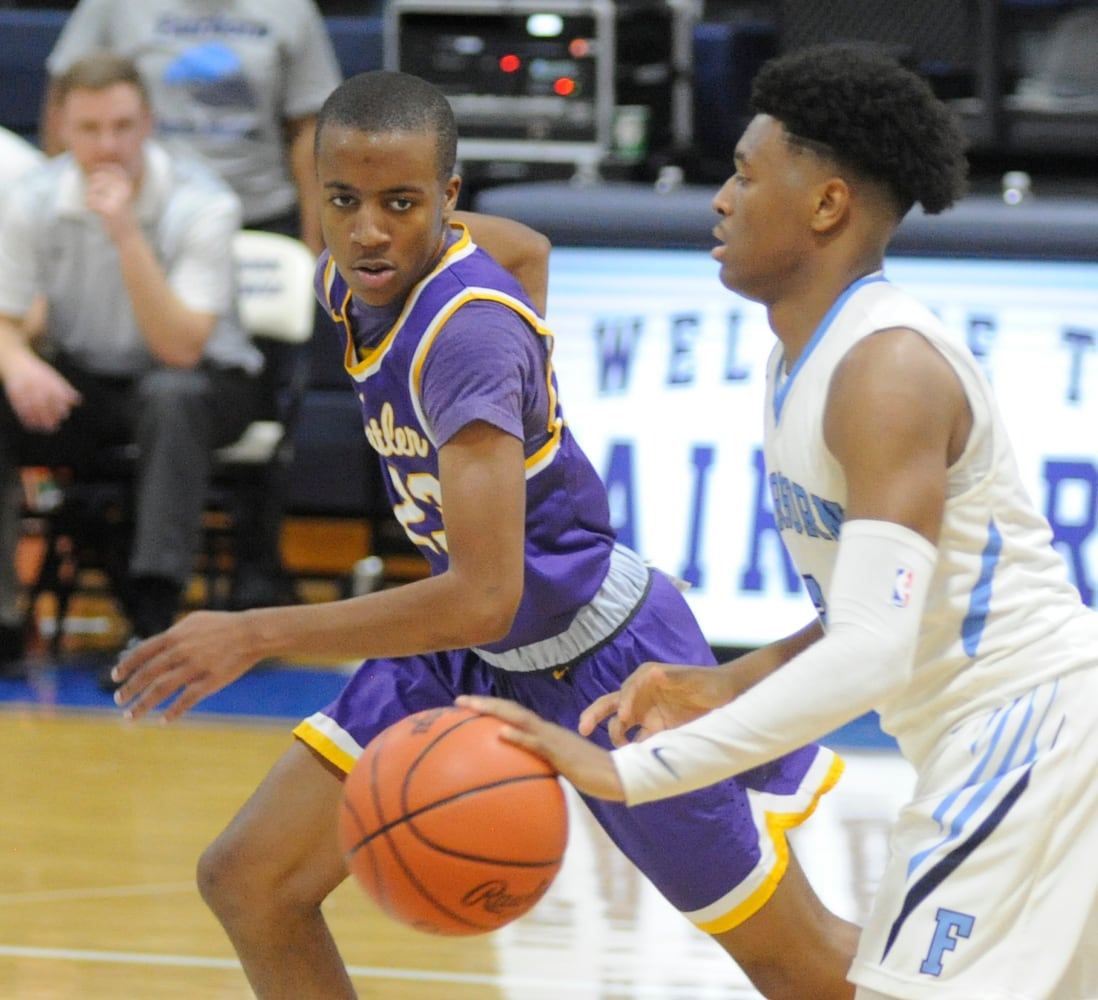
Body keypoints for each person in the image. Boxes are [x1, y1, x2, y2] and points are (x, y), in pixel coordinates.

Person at [112, 70, 859, 1000]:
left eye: (402, 204)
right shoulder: (352, 278)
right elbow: (528, 248)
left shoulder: (466, 341)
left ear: (447, 199)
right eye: (344, 201)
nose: (370, 231)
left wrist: (256, 632)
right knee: (250, 880)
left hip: (600, 665)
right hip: (463, 655)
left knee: (806, 971)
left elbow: (483, 593)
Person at [459, 43, 1098, 1000]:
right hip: (1017, 740)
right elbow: (877, 610)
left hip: (1028, 739)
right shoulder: (802, 355)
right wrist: (731, 679)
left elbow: (873, 650)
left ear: (828, 203)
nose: (720, 197)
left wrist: (631, 774)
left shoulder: (884, 371)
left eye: (746, 174)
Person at [0, 53, 267, 682]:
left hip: (207, 384)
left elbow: (180, 346)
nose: (107, 146)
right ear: (62, 127)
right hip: (91, 381)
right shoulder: (30, 199)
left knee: (170, 393)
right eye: (90, 130)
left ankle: (151, 620)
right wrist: (16, 366)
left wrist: (125, 234)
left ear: (147, 121)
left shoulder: (202, 203)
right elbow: (6, 318)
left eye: (122, 126)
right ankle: (4, 619)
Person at [43, 0, 342, 256]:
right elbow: (67, 102)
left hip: (263, 214)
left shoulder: (292, 8)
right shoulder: (113, 6)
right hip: (149, 214)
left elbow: (309, 129)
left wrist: (314, 241)